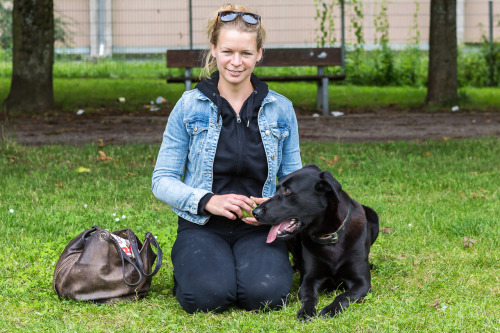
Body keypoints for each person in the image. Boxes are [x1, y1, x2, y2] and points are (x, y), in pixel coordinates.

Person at [152, 4, 302, 314]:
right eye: (227, 51)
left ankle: (240, 269)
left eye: (246, 53)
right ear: (213, 50)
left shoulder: (281, 109)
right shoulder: (187, 106)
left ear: (259, 53)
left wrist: (274, 206)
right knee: (207, 298)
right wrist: (207, 199)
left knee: (266, 297)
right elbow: (161, 180)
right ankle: (197, 271)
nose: (236, 62)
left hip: (260, 227)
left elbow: (296, 181)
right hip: (201, 226)